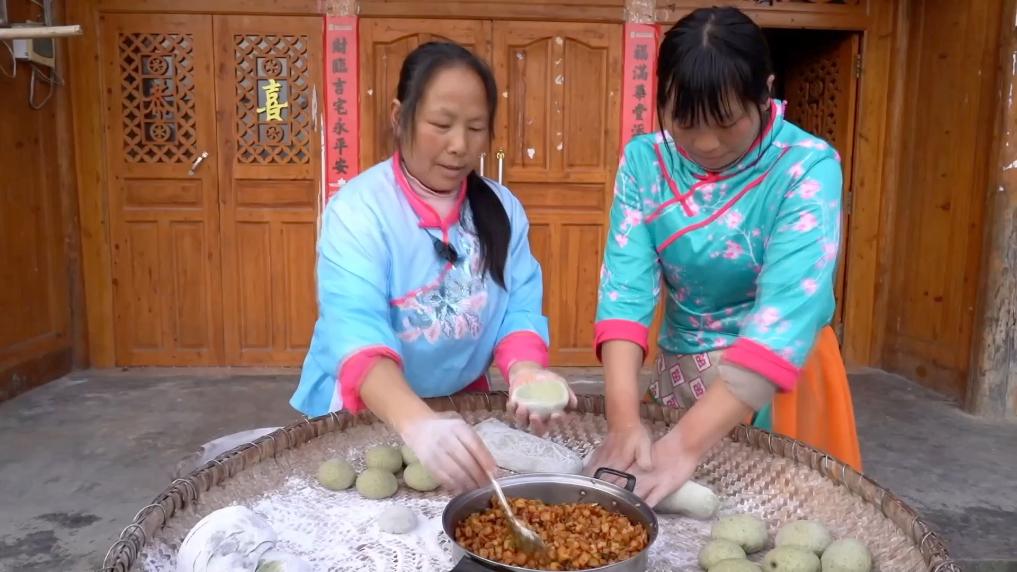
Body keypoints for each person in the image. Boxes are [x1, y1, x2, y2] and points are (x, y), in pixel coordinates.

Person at [585, 6, 862, 506]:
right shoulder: (645, 161)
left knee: (776, 520)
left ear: (765, 93)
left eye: (726, 122)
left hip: (781, 380)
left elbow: (785, 317)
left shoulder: (806, 167)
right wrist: (623, 421)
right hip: (682, 370)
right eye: (684, 121)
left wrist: (685, 445)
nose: (705, 143)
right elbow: (626, 292)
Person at [291, 41, 576, 493]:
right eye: (441, 125)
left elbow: (519, 308)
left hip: (461, 409)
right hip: (371, 407)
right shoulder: (359, 211)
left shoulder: (502, 210)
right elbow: (355, 329)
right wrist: (417, 423)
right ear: (398, 116)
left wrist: (525, 370)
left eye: (476, 128)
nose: (459, 146)